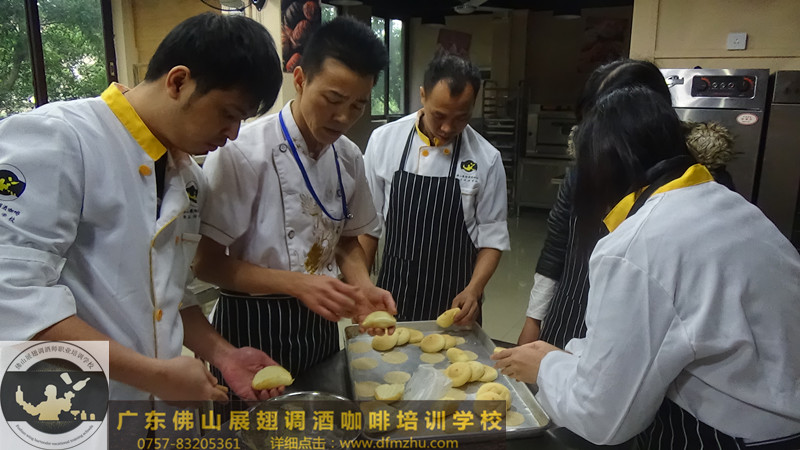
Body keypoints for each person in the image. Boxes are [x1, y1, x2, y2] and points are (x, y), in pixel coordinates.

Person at [493, 86, 800, 448]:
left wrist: (545, 369)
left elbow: (603, 418)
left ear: (603, 169)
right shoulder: (732, 207)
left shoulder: (638, 244)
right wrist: (567, 357)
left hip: (728, 435)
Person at [0, 12, 285, 402]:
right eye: (228, 114)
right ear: (178, 81)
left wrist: (224, 355)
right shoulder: (58, 138)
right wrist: (153, 376)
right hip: (59, 402)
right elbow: (12, 296)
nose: (233, 134)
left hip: (147, 410)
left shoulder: (189, 178)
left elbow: (168, 294)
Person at [192, 16, 393, 382]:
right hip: (251, 327)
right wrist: (297, 283)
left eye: (358, 105)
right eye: (333, 99)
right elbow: (206, 263)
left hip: (321, 326)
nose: (343, 117)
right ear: (300, 80)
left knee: (323, 412)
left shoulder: (348, 156)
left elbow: (348, 239)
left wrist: (362, 285)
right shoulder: (241, 152)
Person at [518, 59, 737, 347]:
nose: (593, 138)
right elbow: (556, 247)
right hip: (571, 314)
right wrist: (534, 321)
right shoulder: (582, 173)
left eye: (601, 124)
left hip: (646, 336)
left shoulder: (700, 185)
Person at [359, 54, 510, 324]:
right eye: (439, 115)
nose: (447, 128)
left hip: (456, 300)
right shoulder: (384, 141)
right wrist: (362, 290)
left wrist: (474, 290)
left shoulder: (487, 159)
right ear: (423, 96)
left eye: (461, 117)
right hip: (394, 293)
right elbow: (368, 225)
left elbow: (492, 237)